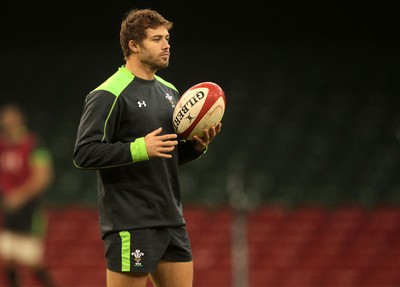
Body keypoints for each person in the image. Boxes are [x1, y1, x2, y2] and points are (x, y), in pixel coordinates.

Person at [73, 8, 222, 287]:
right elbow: (83, 153)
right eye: (156, 39)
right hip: (132, 224)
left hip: (172, 220)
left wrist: (197, 148)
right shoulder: (108, 93)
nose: (166, 45)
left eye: (167, 38)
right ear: (133, 45)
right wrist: (139, 148)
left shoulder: (170, 92)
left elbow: (165, 154)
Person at [0, 103, 58, 287]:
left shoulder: (34, 144)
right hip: (8, 211)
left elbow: (44, 176)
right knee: (7, 258)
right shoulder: (2, 146)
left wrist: (19, 196)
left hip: (30, 211)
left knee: (32, 261)